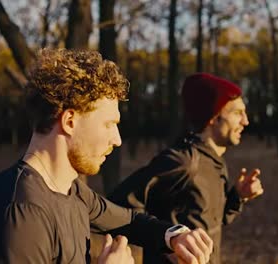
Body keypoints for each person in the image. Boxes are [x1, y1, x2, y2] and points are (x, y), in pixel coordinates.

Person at [0, 49, 213, 264]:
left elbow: (128, 220)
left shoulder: (71, 191)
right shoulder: (20, 214)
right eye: (108, 124)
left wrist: (175, 236)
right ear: (70, 121)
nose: (117, 139)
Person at [108, 73, 264, 264]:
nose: (246, 121)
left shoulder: (216, 161)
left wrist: (238, 197)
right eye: (237, 113)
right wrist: (166, 244)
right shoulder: (184, 161)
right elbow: (117, 204)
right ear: (213, 117)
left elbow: (208, 221)